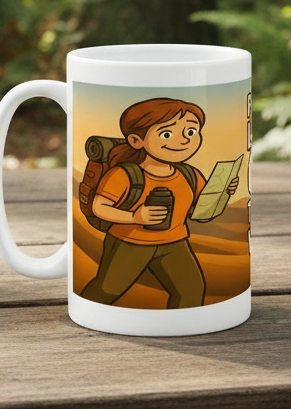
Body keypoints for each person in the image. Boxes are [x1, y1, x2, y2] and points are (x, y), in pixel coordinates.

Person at [79, 97, 238, 309]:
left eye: (191, 132)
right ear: (137, 141)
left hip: (174, 243)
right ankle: (88, 313)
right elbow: (100, 207)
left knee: (191, 290)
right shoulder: (125, 174)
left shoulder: (190, 175)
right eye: (166, 134)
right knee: (108, 289)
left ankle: (186, 327)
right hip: (130, 243)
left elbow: (201, 214)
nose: (183, 141)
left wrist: (222, 193)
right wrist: (134, 217)